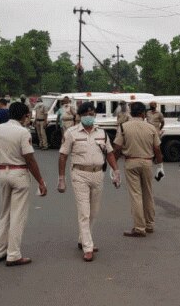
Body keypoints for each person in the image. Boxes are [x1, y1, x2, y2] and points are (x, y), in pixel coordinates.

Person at [57, 102, 120, 262]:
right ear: (79, 116)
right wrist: (61, 179)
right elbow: (63, 155)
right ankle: (88, 246)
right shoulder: (71, 133)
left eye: (91, 113)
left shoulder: (102, 133)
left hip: (98, 174)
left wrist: (116, 171)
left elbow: (110, 153)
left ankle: (83, 239)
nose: (89, 117)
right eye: (85, 114)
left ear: (95, 115)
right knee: (84, 212)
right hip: (79, 174)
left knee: (94, 212)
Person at [0, 102, 47, 266]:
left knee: (5, 213)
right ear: (24, 116)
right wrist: (40, 181)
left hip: (2, 171)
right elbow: (29, 158)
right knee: (18, 215)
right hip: (19, 172)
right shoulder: (23, 132)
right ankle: (13, 254)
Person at [113, 102, 164, 237]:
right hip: (147, 162)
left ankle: (139, 227)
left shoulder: (123, 127)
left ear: (130, 112)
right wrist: (160, 166)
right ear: (143, 114)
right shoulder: (151, 128)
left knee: (136, 195)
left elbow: (117, 148)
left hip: (131, 162)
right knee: (148, 193)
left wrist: (113, 166)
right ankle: (149, 224)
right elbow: (157, 149)